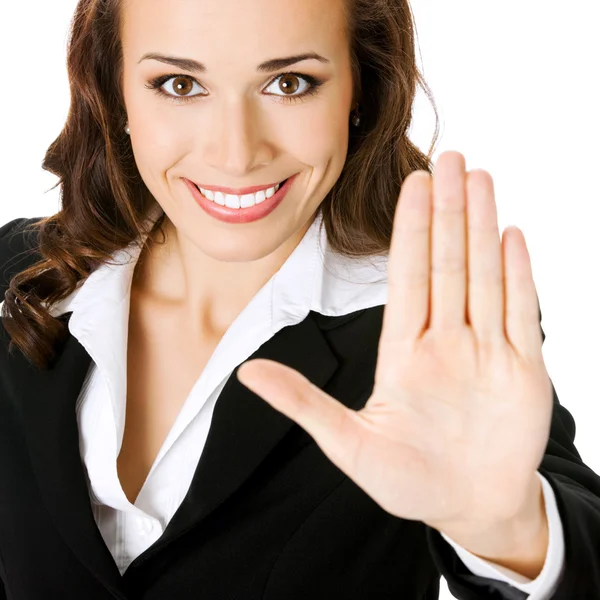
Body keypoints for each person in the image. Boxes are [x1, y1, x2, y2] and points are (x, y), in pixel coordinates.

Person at [0, 0, 598, 598]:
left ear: (359, 90)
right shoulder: (19, 271)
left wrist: (505, 529)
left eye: (289, 83)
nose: (236, 154)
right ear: (116, 90)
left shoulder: (432, 320)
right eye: (180, 84)